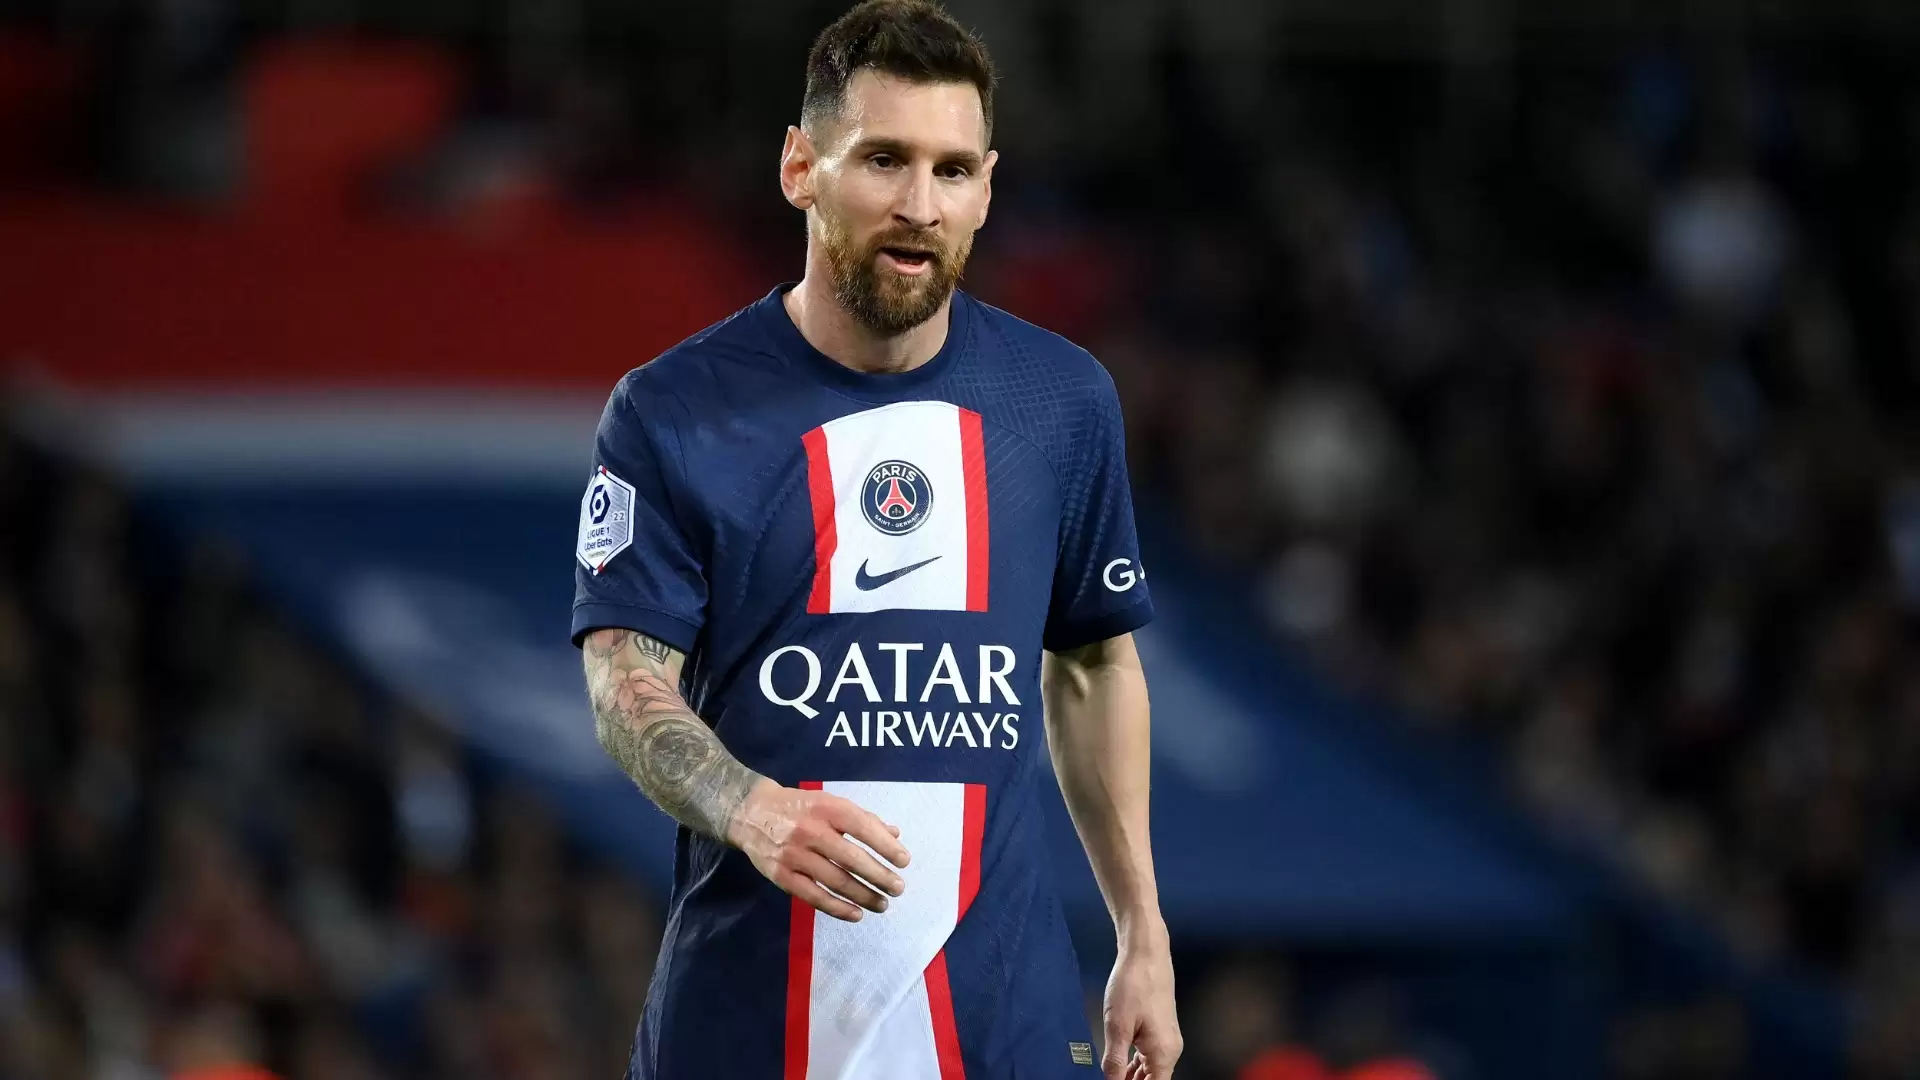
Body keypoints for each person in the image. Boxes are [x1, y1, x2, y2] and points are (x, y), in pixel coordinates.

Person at [568, 2, 1180, 1077]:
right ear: (801, 168)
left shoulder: (1061, 402)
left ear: (986, 189)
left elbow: (1093, 663)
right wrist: (753, 810)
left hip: (1002, 1030)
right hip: (749, 1026)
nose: (918, 205)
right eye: (884, 159)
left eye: (952, 171)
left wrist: (1142, 929)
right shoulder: (673, 410)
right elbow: (625, 681)